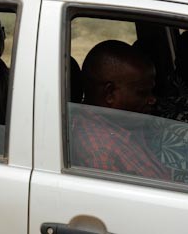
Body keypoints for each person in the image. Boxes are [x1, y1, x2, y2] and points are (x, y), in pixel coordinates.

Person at [69, 40, 170, 180]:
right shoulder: (101, 152)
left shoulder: (123, 125)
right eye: (142, 92)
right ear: (110, 94)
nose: (153, 99)